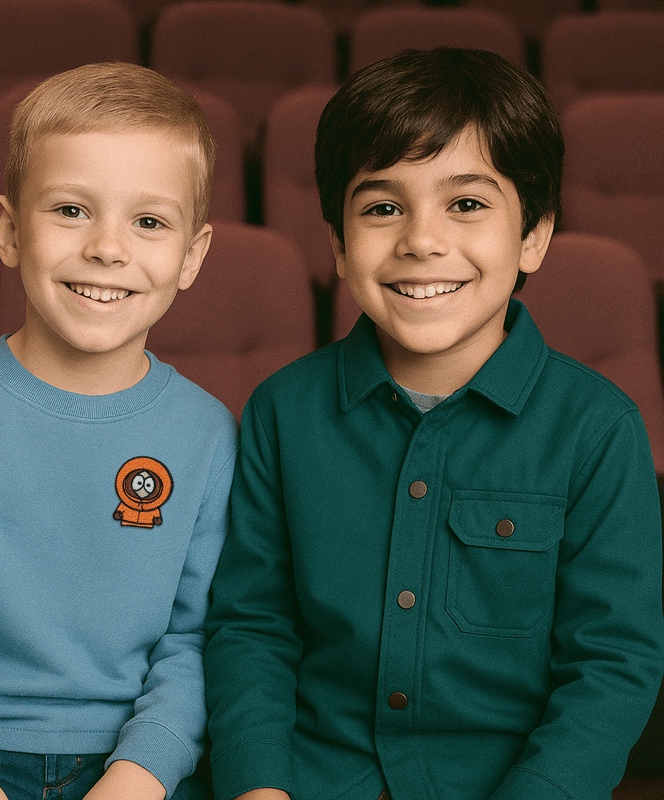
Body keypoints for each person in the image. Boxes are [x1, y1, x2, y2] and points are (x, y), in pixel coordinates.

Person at [204, 48, 664, 800]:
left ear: (534, 236)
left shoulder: (599, 428)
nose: (421, 240)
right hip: (313, 780)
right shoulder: (281, 410)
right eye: (382, 208)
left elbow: (612, 665)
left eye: (467, 204)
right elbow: (252, 626)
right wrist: (259, 787)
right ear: (337, 243)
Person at [0, 62, 237, 800]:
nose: (107, 248)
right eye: (71, 210)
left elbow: (199, 640)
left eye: (149, 222)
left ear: (191, 255)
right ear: (8, 231)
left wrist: (138, 777)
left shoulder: (209, 435)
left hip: (139, 767)